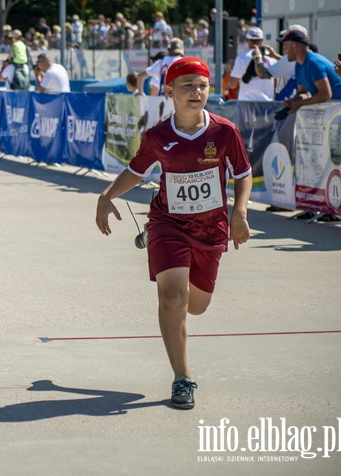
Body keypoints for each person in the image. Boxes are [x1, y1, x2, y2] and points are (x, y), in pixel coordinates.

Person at [95, 57, 252, 409]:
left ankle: (167, 247)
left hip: (211, 230)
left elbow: (243, 175)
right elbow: (137, 171)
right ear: (169, 92)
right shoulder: (157, 136)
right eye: (188, 86)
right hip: (169, 222)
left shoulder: (224, 132)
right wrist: (107, 196)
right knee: (172, 298)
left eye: (202, 86)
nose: (197, 92)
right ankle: (183, 378)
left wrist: (239, 212)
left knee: (195, 306)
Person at [280, 30, 341, 114]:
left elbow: (325, 95)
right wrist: (292, 101)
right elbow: (302, 92)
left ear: (295, 46)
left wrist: (298, 104)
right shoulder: (299, 65)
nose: (284, 50)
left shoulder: (313, 63)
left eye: (285, 45)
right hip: (335, 110)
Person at [228, 27, 276, 101]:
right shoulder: (271, 57)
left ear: (247, 40)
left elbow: (232, 85)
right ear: (262, 40)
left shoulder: (242, 58)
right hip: (267, 103)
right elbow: (276, 83)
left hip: (247, 102)